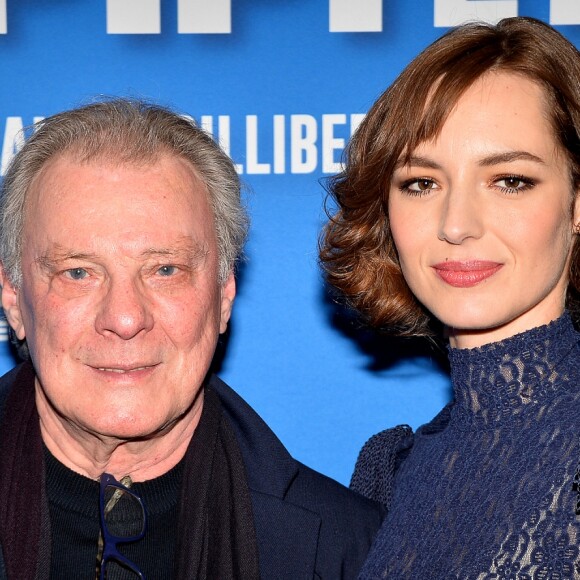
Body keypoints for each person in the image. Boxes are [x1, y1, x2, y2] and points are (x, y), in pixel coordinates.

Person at [0, 99, 383, 579]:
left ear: (223, 296)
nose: (123, 318)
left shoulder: (352, 549)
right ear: (14, 298)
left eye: (165, 269)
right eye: (78, 271)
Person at [320, 16, 580, 578]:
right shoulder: (392, 470)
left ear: (577, 205)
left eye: (510, 180)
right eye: (422, 183)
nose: (456, 224)